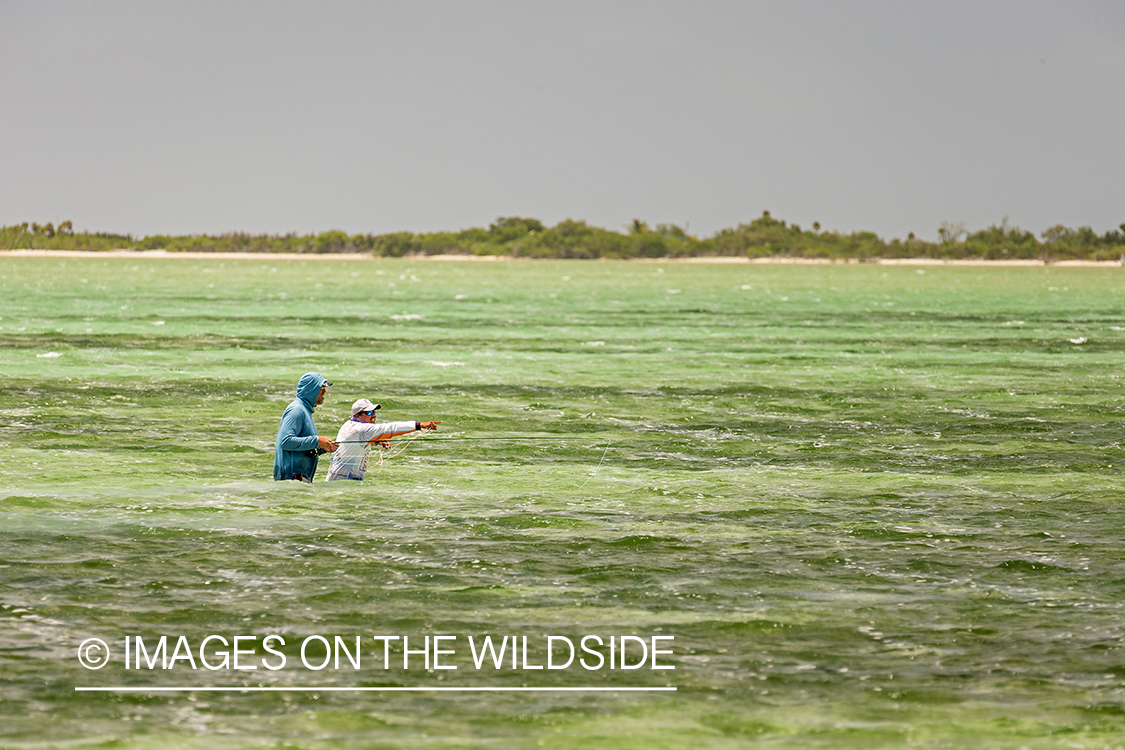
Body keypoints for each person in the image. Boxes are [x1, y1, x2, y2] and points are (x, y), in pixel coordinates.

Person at [326, 398, 441, 481]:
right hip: (344, 483)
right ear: (357, 415)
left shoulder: (349, 425)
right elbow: (390, 428)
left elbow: (356, 442)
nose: (374, 415)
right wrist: (420, 425)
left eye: (374, 411)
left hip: (338, 481)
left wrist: (376, 440)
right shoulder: (361, 430)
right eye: (369, 412)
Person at [274, 372, 338, 482]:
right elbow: (285, 441)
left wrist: (322, 448)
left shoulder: (304, 411)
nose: (324, 391)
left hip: (299, 481)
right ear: (311, 389)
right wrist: (316, 440)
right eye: (322, 387)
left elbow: (302, 446)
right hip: (291, 480)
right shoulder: (296, 410)